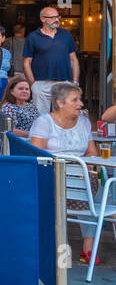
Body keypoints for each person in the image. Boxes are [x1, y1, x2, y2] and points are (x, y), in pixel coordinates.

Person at [30, 82, 102, 263]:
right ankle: (63, 254)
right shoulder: (44, 123)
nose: (81, 104)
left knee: (102, 192)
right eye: (75, 100)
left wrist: (89, 167)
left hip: (82, 178)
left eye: (80, 99)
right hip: (54, 179)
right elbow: (37, 156)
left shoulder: (84, 122)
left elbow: (92, 152)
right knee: (94, 195)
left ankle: (88, 248)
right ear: (60, 103)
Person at [24, 6, 79, 116]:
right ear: (43, 19)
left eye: (58, 17)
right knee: (39, 118)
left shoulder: (65, 35)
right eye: (53, 17)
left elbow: (73, 59)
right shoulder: (33, 36)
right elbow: (26, 63)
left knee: (64, 117)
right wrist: (33, 84)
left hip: (64, 83)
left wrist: (75, 82)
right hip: (41, 83)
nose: (57, 20)